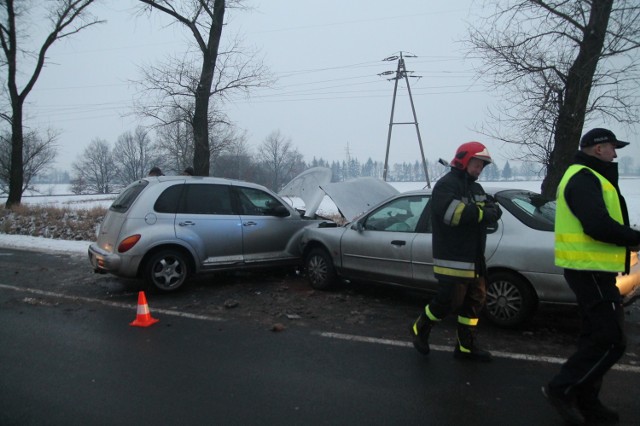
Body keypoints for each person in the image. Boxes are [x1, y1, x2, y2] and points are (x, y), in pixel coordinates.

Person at [543, 128, 640, 425]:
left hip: (594, 270)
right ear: (598, 149)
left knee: (594, 337)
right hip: (589, 271)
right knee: (611, 341)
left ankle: (588, 401)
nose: (615, 153)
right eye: (612, 147)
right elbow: (597, 224)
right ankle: (562, 389)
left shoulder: (591, 176)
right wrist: (634, 238)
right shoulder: (583, 178)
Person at [410, 141, 501, 362]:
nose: (479, 169)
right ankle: (420, 328)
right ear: (464, 159)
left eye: (482, 165)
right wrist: (482, 212)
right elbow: (453, 215)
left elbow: (495, 209)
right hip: (453, 258)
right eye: (476, 163)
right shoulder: (446, 185)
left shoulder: (476, 188)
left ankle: (465, 347)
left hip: (475, 257)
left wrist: (485, 210)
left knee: (475, 302)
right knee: (448, 302)